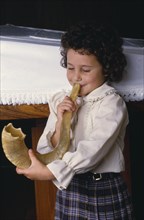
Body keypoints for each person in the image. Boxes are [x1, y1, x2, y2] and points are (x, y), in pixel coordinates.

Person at [16, 22, 134, 219]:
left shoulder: (111, 104)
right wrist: (62, 122)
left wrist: (51, 173)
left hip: (102, 187)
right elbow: (49, 150)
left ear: (106, 68)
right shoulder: (61, 101)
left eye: (85, 70)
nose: (75, 77)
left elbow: (93, 150)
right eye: (71, 68)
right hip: (70, 187)